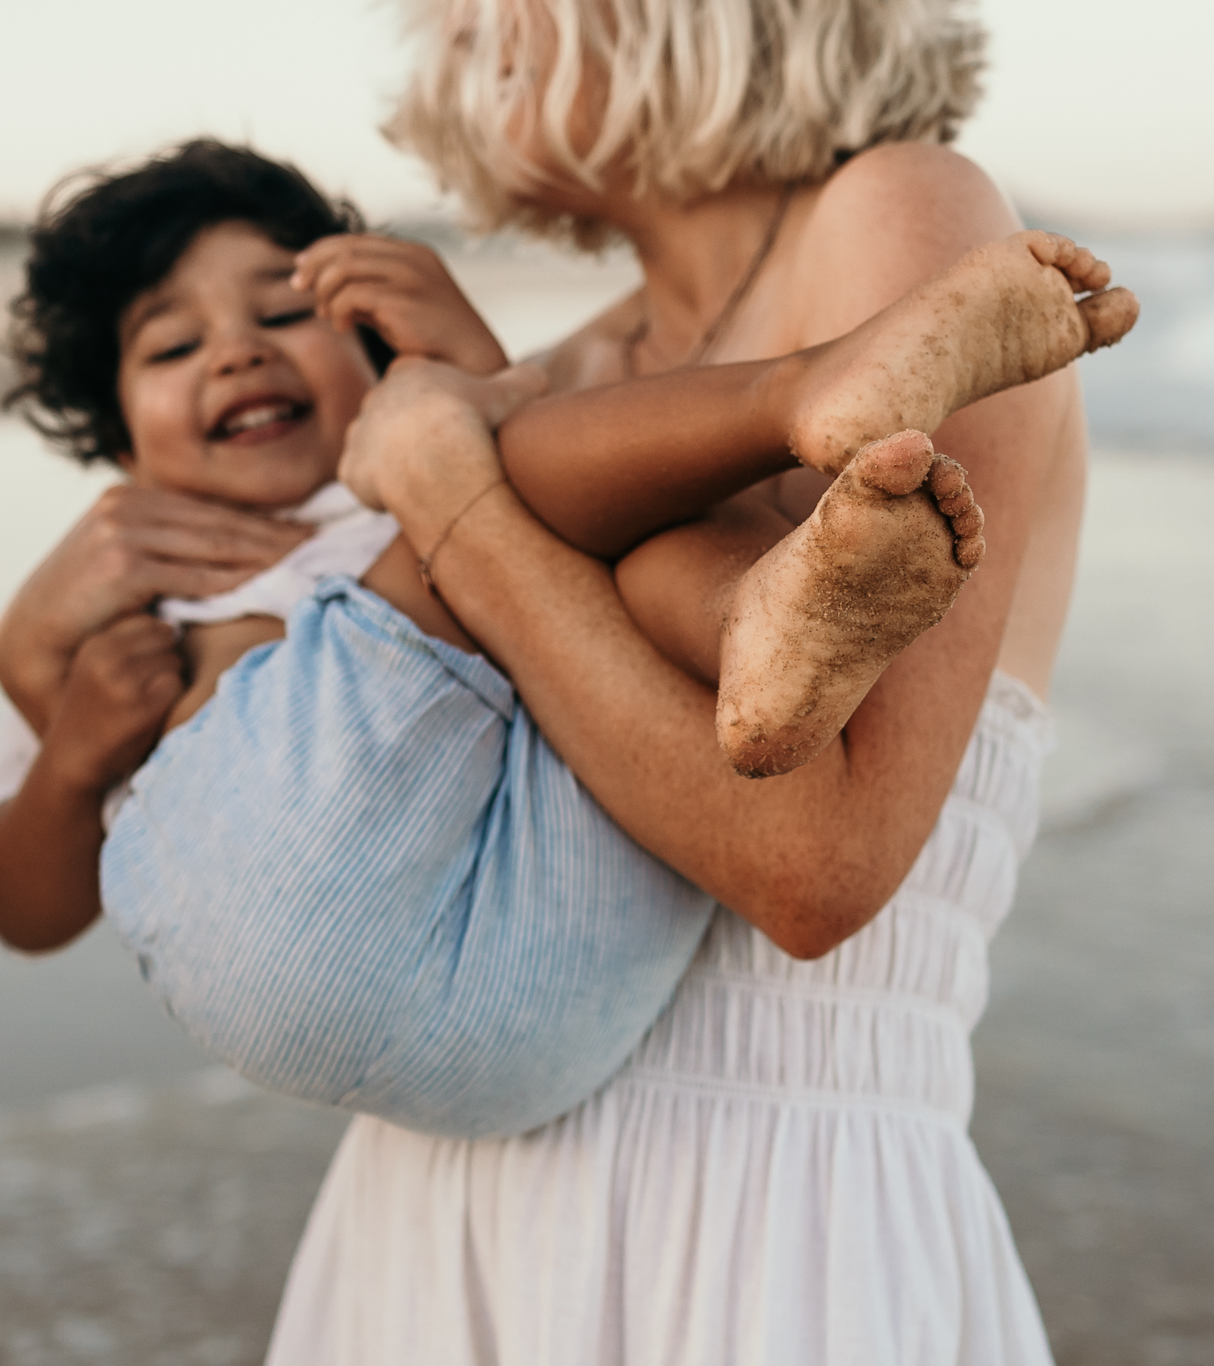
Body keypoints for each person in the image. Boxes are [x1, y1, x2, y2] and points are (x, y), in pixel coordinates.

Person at [246, 0, 1119, 1357]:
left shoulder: (901, 214)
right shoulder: (561, 376)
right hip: (440, 1204)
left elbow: (816, 862)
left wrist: (456, 505)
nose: (472, 25)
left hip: (771, 1228)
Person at [0, 140, 1132, 1135]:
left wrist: (463, 372)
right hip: (300, 923)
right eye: (172, 348)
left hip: (548, 981)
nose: (237, 352)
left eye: (283, 313)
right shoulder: (131, 597)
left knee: (581, 533)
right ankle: (802, 403)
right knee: (520, 477)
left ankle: (763, 614)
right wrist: (70, 755)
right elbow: (23, 907)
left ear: (374, 350)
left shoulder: (382, 498)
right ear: (114, 433)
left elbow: (497, 484)